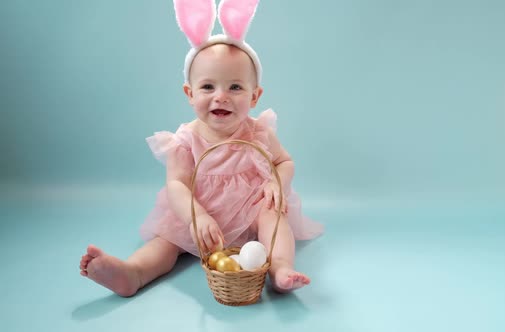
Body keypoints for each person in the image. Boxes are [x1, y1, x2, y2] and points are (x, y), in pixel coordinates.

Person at [79, 0, 323, 297]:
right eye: (208, 87)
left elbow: (285, 161)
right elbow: (177, 184)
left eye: (235, 87)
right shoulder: (185, 140)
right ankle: (133, 273)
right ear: (190, 94)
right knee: (167, 245)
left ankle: (280, 267)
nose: (221, 97)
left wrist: (277, 182)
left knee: (273, 216)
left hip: (249, 209)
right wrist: (198, 215)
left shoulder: (258, 131)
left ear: (255, 96)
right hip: (199, 213)